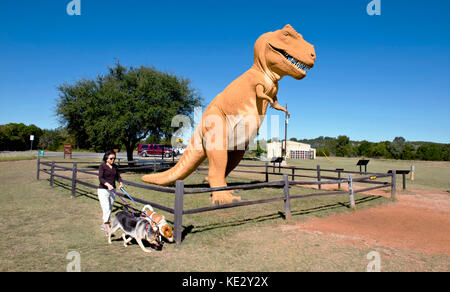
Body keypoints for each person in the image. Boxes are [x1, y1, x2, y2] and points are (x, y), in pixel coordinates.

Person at [98, 150, 123, 235]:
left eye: (114, 158)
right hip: (103, 190)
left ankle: (103, 224)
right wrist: (107, 184)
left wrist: (120, 183)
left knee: (110, 208)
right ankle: (108, 229)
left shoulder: (115, 167)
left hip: (112, 190)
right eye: (111, 158)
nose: (113, 160)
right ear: (106, 158)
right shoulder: (102, 166)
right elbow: (101, 178)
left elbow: (118, 177)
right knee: (106, 209)